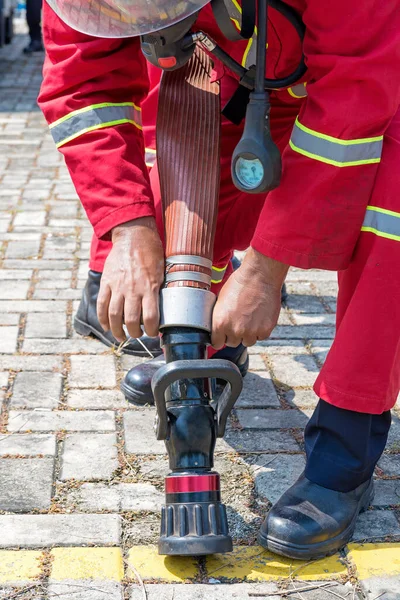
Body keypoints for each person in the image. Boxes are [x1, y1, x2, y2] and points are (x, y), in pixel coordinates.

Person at [38, 0, 400, 560]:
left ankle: (345, 451)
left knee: (388, 232)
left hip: (376, 74)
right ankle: (202, 350)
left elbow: (354, 102)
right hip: (243, 68)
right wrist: (127, 230)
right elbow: (84, 86)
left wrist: (265, 267)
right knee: (168, 196)